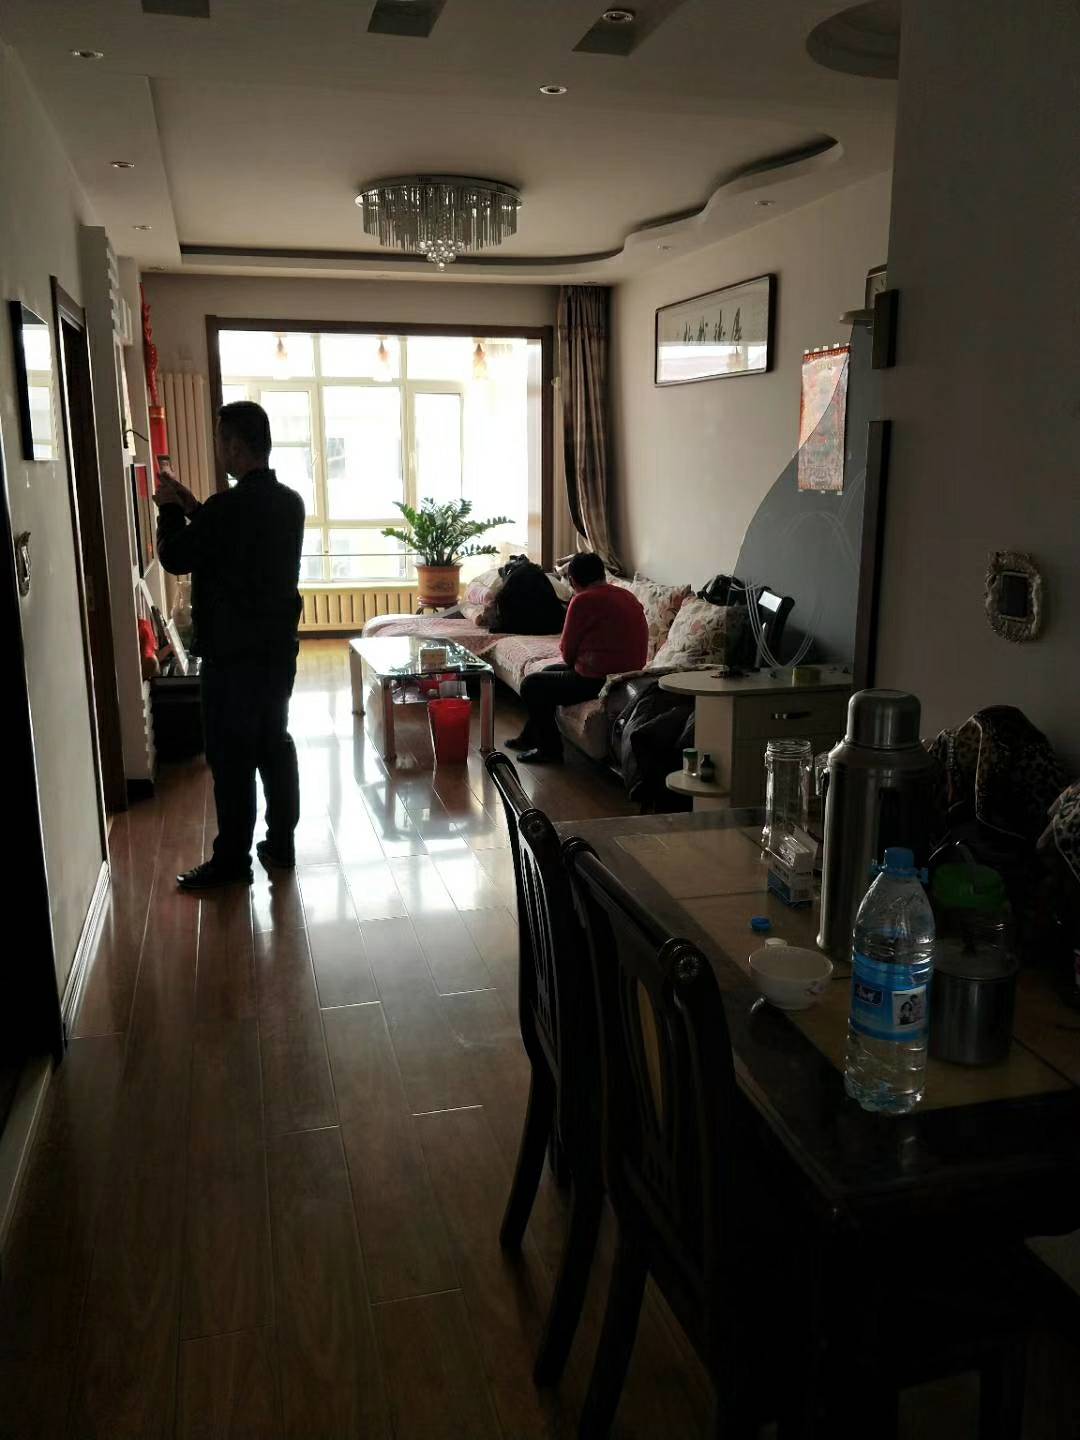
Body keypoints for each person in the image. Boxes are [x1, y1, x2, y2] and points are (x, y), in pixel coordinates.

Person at [155, 401, 305, 890]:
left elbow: (176, 556)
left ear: (236, 447)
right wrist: (194, 506)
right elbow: (235, 541)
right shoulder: (290, 504)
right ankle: (281, 844)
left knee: (232, 758)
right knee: (273, 744)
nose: (219, 450)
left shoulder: (225, 512)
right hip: (276, 652)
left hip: (230, 659)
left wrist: (170, 510)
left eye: (221, 441)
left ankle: (232, 863)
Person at [509, 552, 648, 763]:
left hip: (598, 680)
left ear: (573, 580)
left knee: (531, 685)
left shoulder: (583, 600)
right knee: (547, 673)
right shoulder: (626, 595)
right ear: (602, 575)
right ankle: (530, 737)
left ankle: (550, 750)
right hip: (631, 676)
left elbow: (567, 652)